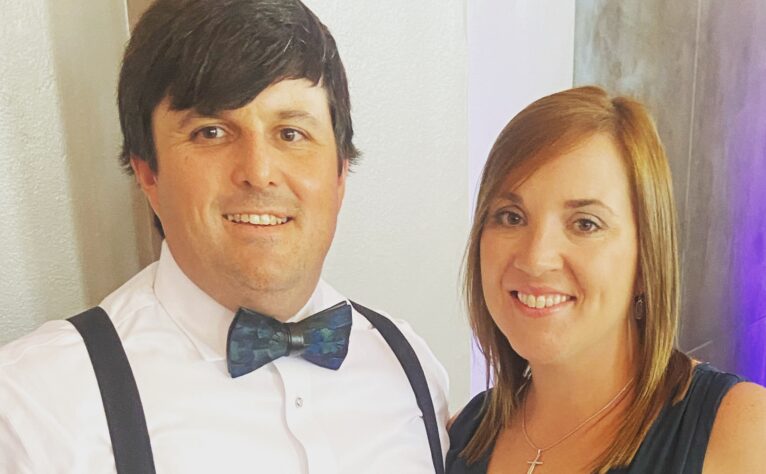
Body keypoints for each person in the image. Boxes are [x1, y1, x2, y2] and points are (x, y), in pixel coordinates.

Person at [0, 0, 449, 472]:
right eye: (211, 132)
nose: (259, 172)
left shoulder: (410, 365)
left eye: (291, 133)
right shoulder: (34, 408)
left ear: (339, 173)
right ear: (148, 173)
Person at [445, 86, 766, 473]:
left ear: (646, 259)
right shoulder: (462, 437)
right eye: (511, 217)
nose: (536, 259)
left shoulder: (742, 432)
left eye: (585, 224)